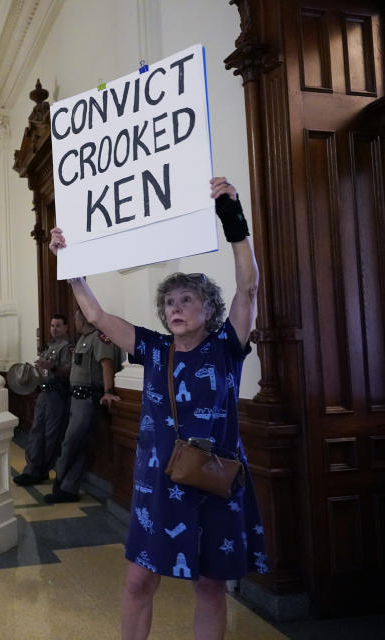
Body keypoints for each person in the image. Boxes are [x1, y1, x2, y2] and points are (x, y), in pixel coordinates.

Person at [49, 177, 268, 640]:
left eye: (187, 300)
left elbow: (247, 289)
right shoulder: (153, 348)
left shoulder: (226, 347)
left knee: (210, 587)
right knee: (138, 579)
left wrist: (232, 218)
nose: (176, 307)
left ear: (209, 310)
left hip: (215, 478)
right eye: (169, 302)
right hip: (160, 483)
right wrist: (69, 265)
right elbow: (96, 316)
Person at [43, 306, 122, 503]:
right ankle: (68, 488)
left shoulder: (99, 337)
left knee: (71, 443)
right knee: (76, 444)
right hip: (75, 398)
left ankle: (60, 482)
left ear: (84, 319)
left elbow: (106, 364)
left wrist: (108, 392)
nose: (75, 322)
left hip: (88, 398)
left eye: (77, 319)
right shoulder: (82, 340)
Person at [13, 314, 73, 486]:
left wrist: (52, 366)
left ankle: (41, 470)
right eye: (52, 325)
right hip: (43, 393)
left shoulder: (67, 347)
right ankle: (32, 469)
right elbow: (44, 371)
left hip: (57, 394)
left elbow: (70, 372)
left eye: (58, 326)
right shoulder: (49, 347)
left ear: (66, 327)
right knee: (36, 432)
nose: (54, 329)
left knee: (50, 434)